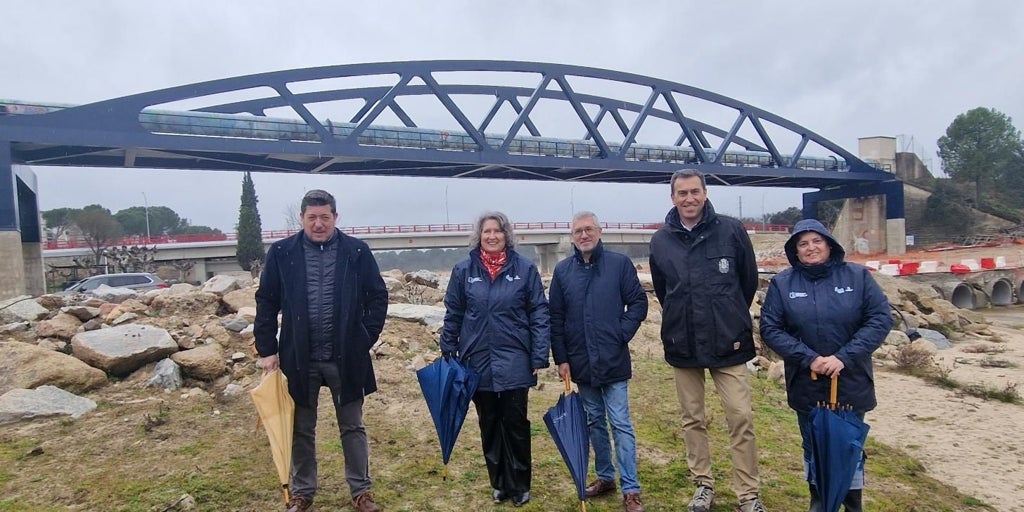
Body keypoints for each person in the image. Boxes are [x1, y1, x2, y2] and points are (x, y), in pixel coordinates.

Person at [255, 189, 389, 512]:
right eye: (312, 217)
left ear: (335, 218)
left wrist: (363, 337)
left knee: (353, 426)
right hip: (299, 357)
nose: (318, 224)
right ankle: (302, 494)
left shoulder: (356, 251)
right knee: (301, 428)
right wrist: (267, 349)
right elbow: (266, 300)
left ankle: (361, 491)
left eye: (324, 217)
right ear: (302, 218)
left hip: (347, 356)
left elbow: (377, 296)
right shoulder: (282, 253)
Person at [648, 169, 767, 512]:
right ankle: (703, 485)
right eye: (682, 193)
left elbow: (746, 283)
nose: (689, 198)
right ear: (673, 198)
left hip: (727, 341)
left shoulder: (731, 230)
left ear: (705, 193)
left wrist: (727, 315)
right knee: (692, 419)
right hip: (682, 341)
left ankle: (748, 493)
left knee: (740, 417)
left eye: (694, 191)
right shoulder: (661, 241)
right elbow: (664, 290)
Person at [759, 219, 892, 512]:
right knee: (814, 446)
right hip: (807, 384)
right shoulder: (783, 283)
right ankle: (820, 501)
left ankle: (852, 504)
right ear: (795, 250)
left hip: (850, 381)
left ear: (829, 244)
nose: (811, 248)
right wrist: (811, 359)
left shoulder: (857, 277)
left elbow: (880, 318)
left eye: (816, 241)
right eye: (803, 244)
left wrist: (843, 357)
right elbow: (771, 328)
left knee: (849, 446)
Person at [440, 211, 550, 508]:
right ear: (479, 235)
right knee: (488, 422)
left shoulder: (524, 269)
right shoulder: (463, 270)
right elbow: (454, 313)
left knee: (515, 423)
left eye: (498, 231)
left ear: (506, 235)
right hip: (477, 360)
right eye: (487, 231)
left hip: (515, 358)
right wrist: (448, 347)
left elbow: (539, 313)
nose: (492, 236)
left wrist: (539, 353)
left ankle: (520, 484)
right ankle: (498, 482)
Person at [549, 211, 649, 512]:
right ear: (572, 237)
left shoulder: (619, 264)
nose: (584, 235)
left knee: (620, 423)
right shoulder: (563, 271)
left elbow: (638, 303)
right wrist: (562, 358)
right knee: (594, 422)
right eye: (578, 231)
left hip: (613, 358)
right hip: (580, 362)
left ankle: (631, 489)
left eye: (589, 229)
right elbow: (556, 318)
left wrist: (620, 333)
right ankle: (606, 477)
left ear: (600, 232)